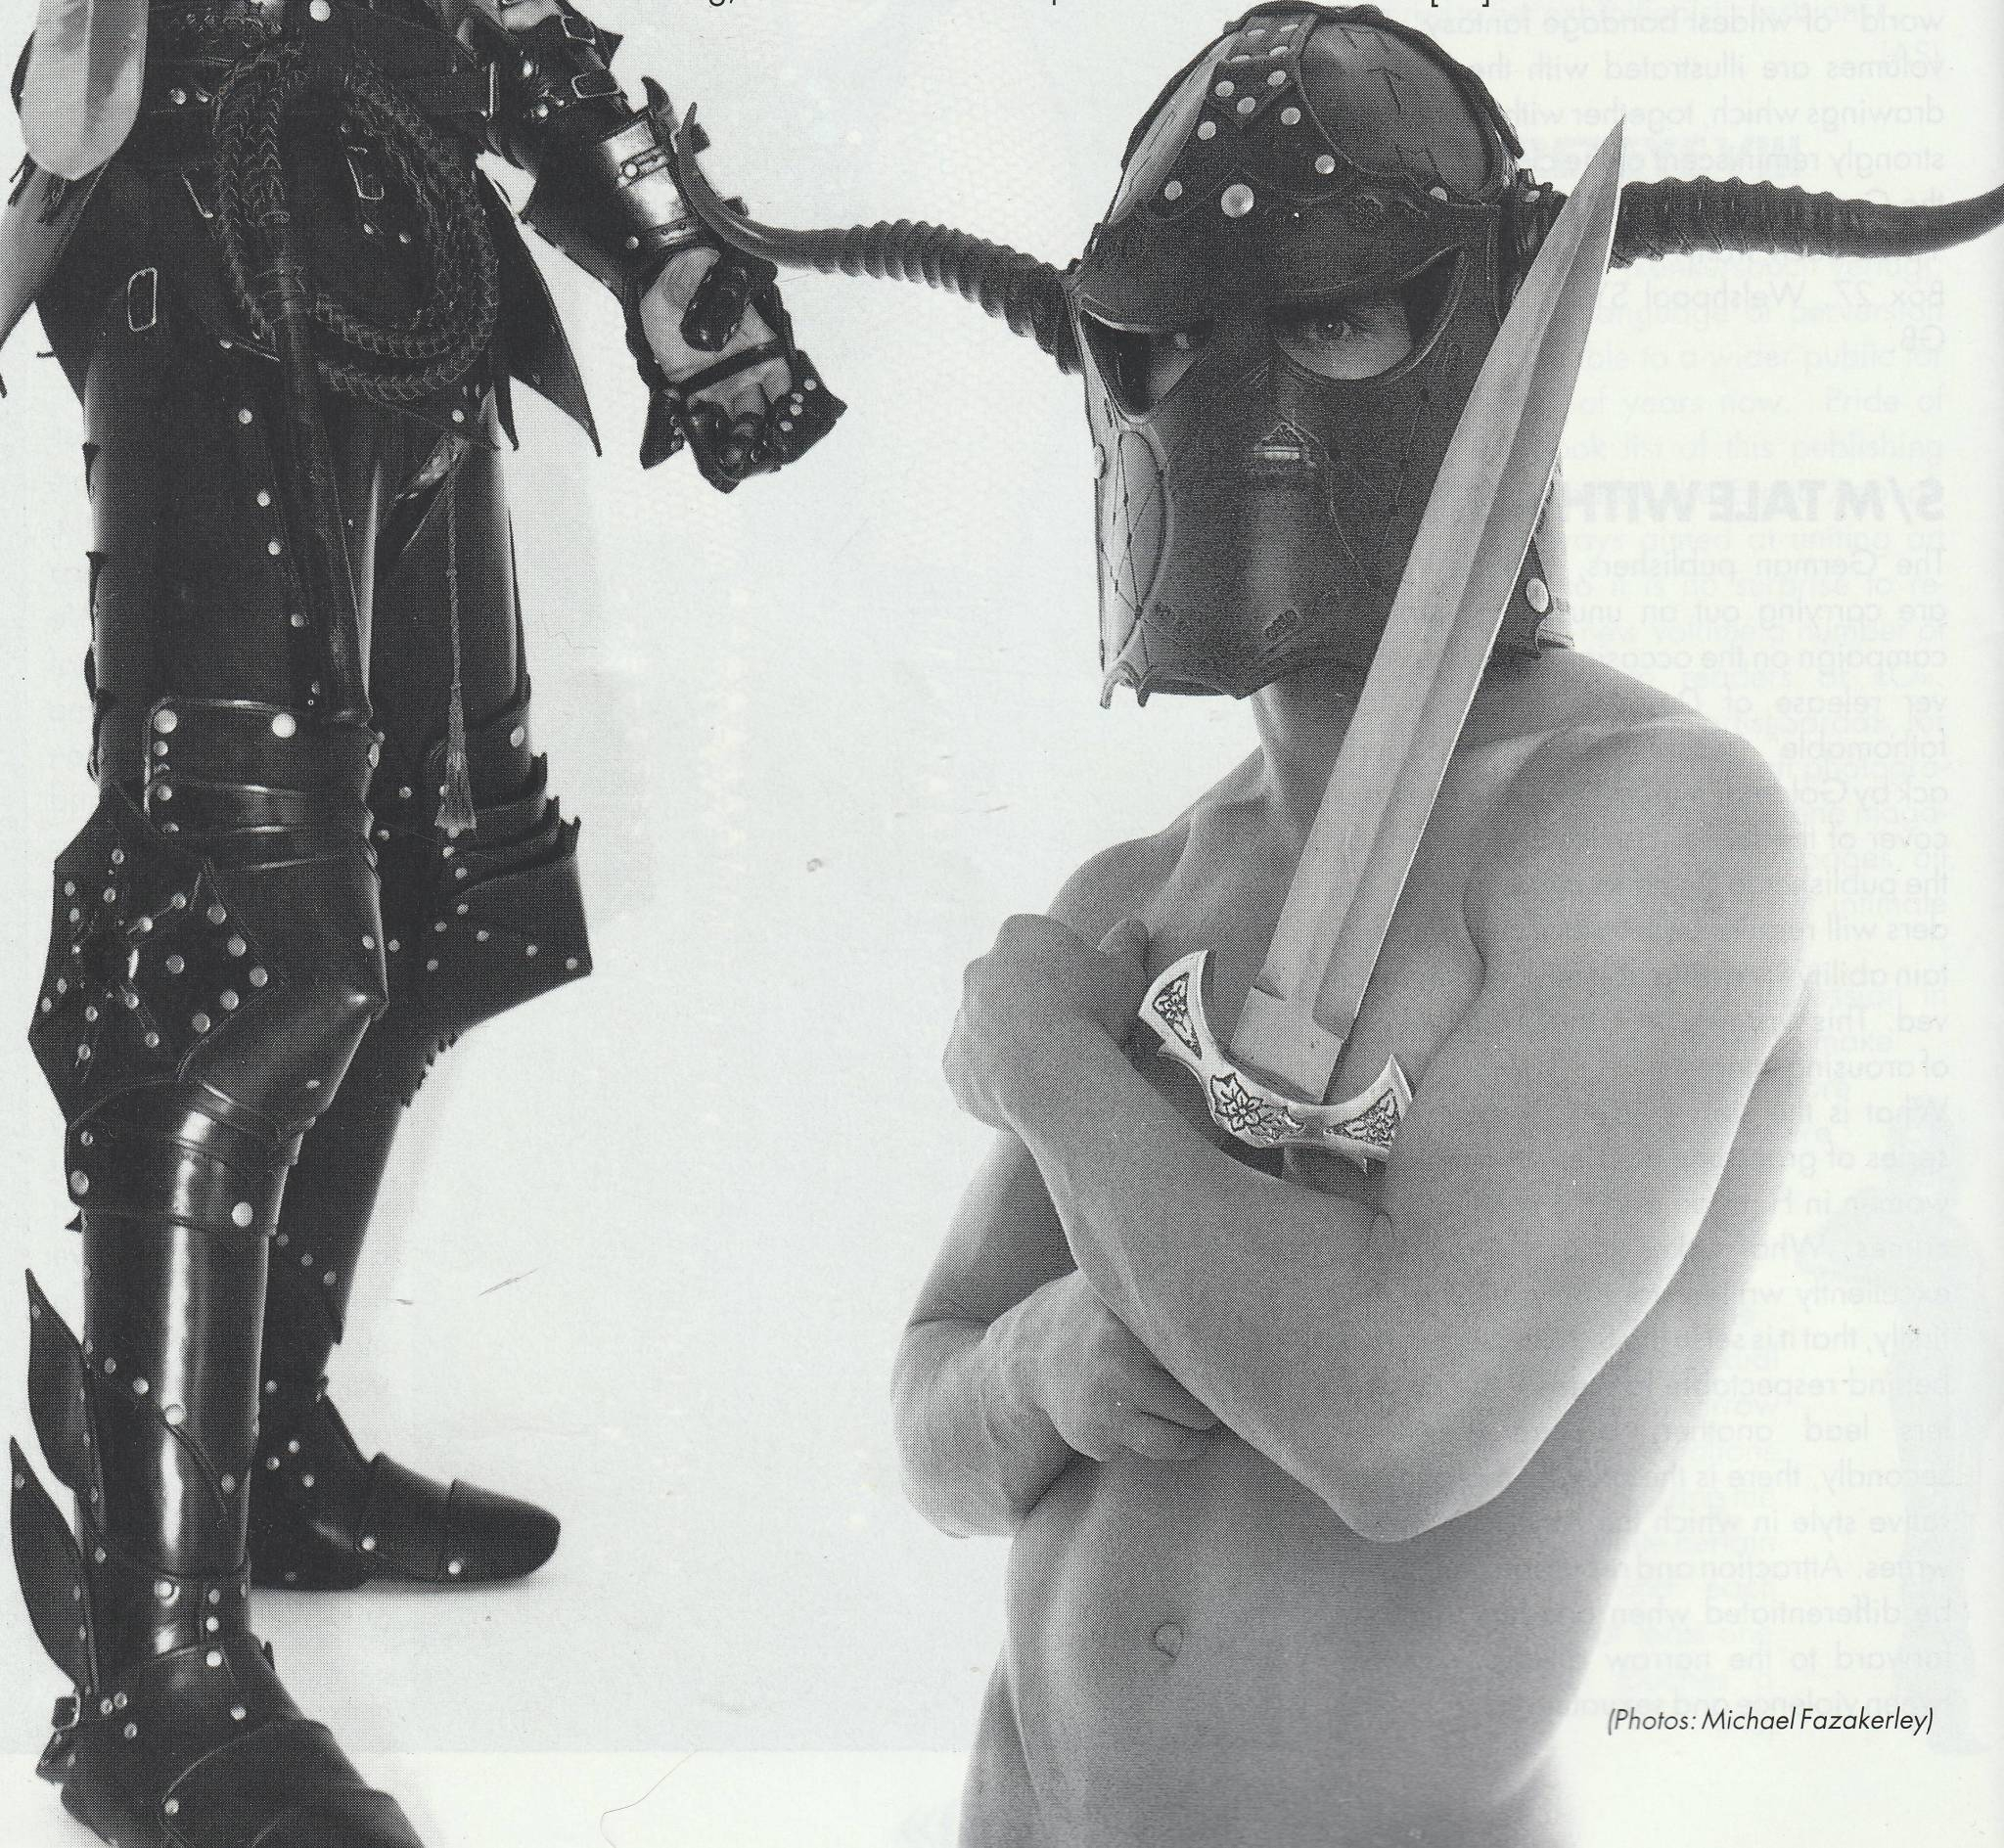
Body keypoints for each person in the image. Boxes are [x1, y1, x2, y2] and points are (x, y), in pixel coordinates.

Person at [667, 4, 2004, 1841]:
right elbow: (933, 1418)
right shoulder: (1146, 882)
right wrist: (1041, 1361)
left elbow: (1402, 1427)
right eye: (1176, 334)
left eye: (1335, 314)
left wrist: (1053, 1070)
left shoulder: (1657, 824)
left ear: (1488, 341)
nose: (1244, 395)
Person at [3, 2, 836, 1843]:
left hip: (408, 239)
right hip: (200, 225)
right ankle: (152, 1680)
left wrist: (663, 246)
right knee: (231, 928)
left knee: (450, 887)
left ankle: (265, 1446)